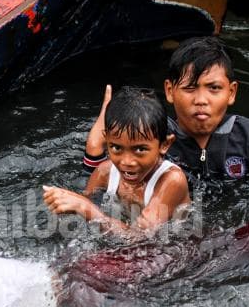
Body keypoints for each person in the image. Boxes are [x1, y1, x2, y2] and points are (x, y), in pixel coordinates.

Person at [83, 36, 249, 183]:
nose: (201, 99)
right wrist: (95, 152)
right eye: (190, 88)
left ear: (231, 93)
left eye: (214, 88)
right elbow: (115, 181)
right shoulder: (154, 134)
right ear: (170, 91)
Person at [44, 86, 190, 236]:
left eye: (140, 149)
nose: (127, 161)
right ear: (107, 141)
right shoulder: (104, 172)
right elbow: (83, 221)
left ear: (164, 145)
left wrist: (86, 208)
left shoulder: (172, 180)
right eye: (116, 148)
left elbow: (139, 237)